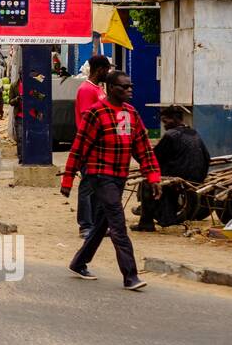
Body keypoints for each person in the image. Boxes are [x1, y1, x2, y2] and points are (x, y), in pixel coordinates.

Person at [61, 70, 160, 291]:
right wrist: (68, 180)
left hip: (119, 175)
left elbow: (143, 149)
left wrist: (153, 176)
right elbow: (79, 148)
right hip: (99, 174)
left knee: (102, 222)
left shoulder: (132, 114)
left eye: (130, 86)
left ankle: (79, 262)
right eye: (124, 87)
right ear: (110, 88)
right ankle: (130, 275)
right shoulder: (95, 113)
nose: (129, 90)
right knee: (117, 221)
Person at [135, 105, 211, 232]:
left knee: (147, 182)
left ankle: (146, 222)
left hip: (179, 174)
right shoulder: (194, 132)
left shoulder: (171, 135)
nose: (164, 125)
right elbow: (207, 156)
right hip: (198, 176)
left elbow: (155, 158)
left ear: (175, 119)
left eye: (165, 121)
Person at [73, 55, 113, 239]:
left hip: (101, 147)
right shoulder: (86, 90)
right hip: (89, 146)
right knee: (87, 186)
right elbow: (86, 120)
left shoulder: (98, 89)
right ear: (99, 70)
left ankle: (97, 225)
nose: (109, 72)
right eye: (107, 69)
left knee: (98, 187)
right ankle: (85, 225)